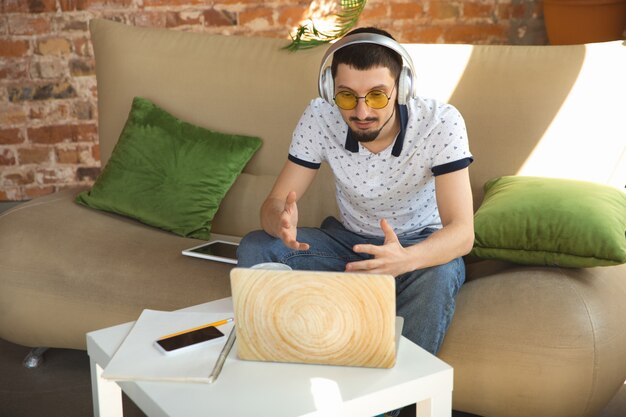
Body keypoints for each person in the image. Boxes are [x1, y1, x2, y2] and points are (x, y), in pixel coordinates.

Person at [237, 27, 474, 360]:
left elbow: (462, 233)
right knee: (256, 246)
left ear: (402, 88)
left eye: (377, 95)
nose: (361, 112)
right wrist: (279, 221)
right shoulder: (320, 116)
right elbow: (274, 204)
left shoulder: (440, 123)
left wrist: (404, 260)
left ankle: (389, 406)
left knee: (441, 275)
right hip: (346, 242)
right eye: (347, 96)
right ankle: (283, 365)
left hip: (417, 247)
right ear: (330, 90)